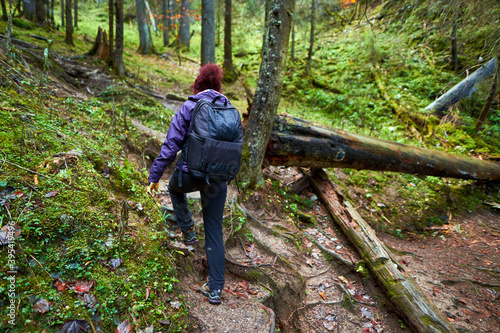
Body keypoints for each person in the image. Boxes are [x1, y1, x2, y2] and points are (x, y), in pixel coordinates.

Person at [147, 63, 230, 305]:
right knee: (214, 229)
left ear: (198, 85)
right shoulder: (228, 108)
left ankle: (188, 231)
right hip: (218, 179)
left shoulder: (189, 106)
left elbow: (171, 146)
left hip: (190, 174)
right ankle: (215, 289)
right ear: (217, 87)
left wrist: (154, 177)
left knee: (173, 187)